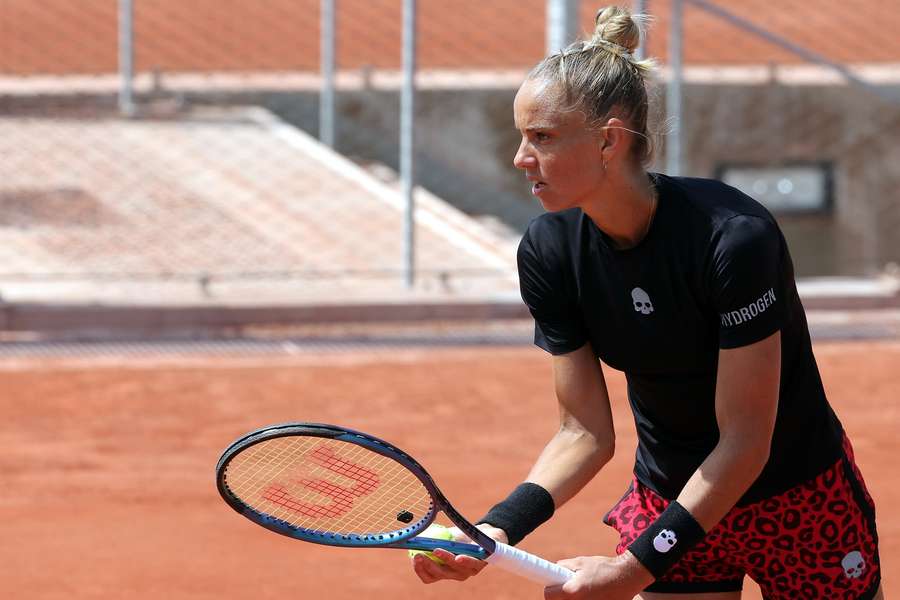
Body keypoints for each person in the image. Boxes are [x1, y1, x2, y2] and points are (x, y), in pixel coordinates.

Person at [410, 5, 883, 600]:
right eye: (521, 137)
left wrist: (633, 570)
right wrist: (494, 529)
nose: (520, 158)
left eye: (543, 137)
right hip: (672, 501)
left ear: (608, 140)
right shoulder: (550, 251)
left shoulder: (733, 238)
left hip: (794, 495)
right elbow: (583, 432)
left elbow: (744, 440)